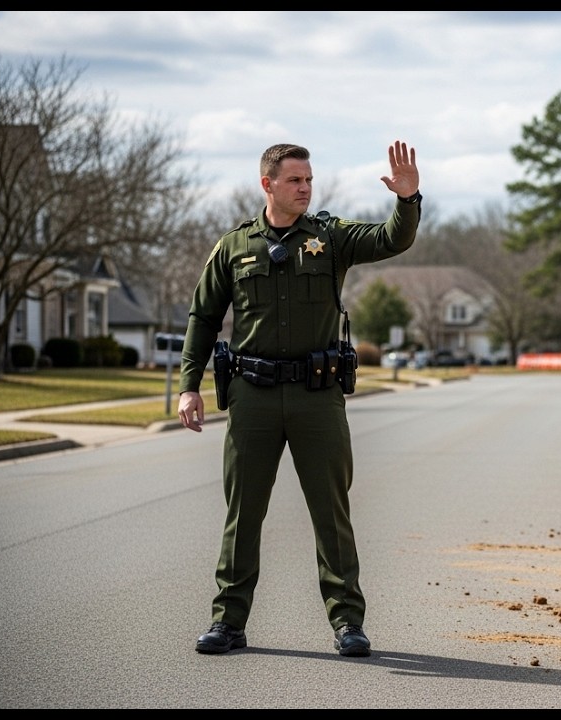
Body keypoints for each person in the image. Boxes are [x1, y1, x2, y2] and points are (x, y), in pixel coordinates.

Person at [177, 140, 422, 657]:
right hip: (253, 396)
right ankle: (228, 622)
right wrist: (188, 385)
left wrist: (408, 200)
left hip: (317, 397)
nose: (305, 187)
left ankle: (347, 623)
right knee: (243, 513)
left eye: (309, 179)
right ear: (267, 184)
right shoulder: (234, 247)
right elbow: (202, 317)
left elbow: (390, 240)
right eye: (295, 180)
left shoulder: (330, 238)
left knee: (331, 512)